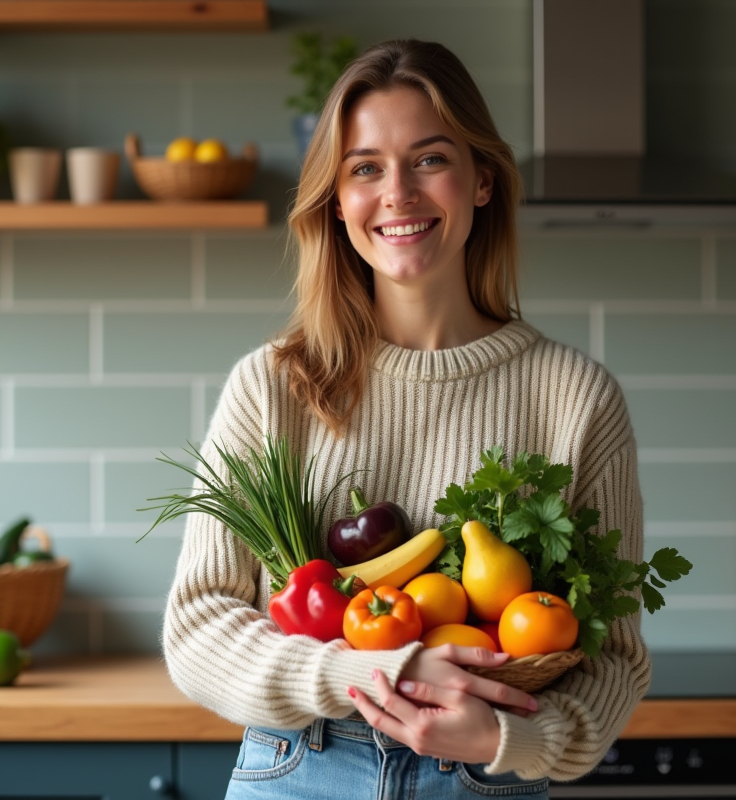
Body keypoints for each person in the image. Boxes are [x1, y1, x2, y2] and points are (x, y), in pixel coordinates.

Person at [162, 38, 651, 799]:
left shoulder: (575, 397)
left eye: (429, 159)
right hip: (302, 766)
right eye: (365, 168)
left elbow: (614, 658)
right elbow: (197, 628)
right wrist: (371, 671)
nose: (398, 192)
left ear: (482, 180)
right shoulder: (274, 386)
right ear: (336, 199)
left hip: (484, 775)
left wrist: (512, 738)